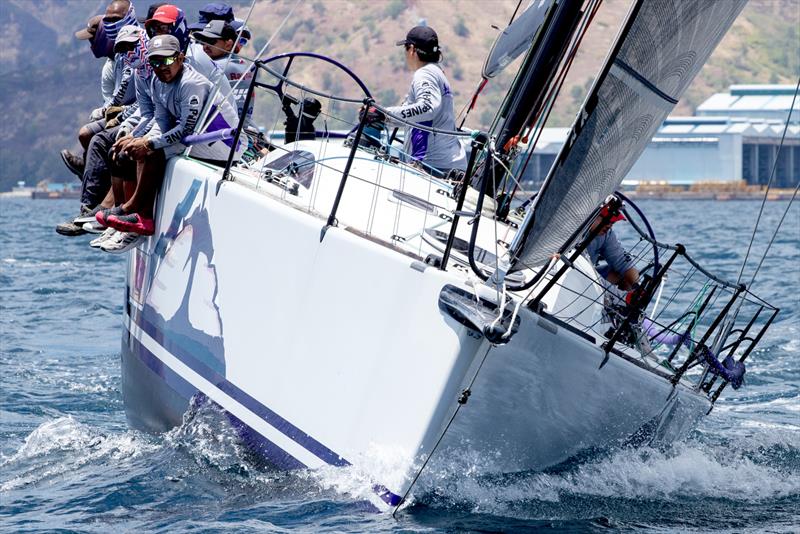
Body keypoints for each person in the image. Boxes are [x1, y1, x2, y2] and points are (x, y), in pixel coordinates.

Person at [101, 34, 242, 236]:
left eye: (167, 60)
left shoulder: (190, 83)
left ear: (180, 58)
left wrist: (149, 143)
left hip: (221, 144)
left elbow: (185, 129)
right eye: (155, 61)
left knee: (151, 153)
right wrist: (137, 137)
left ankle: (138, 213)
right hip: (194, 137)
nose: (161, 66)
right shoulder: (157, 82)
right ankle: (127, 217)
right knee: (127, 151)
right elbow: (161, 121)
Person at [384, 26, 466, 176]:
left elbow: (427, 108)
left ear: (412, 50)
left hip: (433, 167)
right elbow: (415, 114)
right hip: (447, 165)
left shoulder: (425, 74)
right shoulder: (437, 72)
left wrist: (384, 114)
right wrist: (384, 116)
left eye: (405, 48)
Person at [586, 209, 640, 291]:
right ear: (594, 215)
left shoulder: (607, 234)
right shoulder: (573, 228)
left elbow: (623, 262)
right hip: (572, 272)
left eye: (612, 222)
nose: (609, 225)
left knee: (626, 277)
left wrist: (637, 288)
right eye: (607, 220)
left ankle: (626, 300)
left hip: (589, 274)